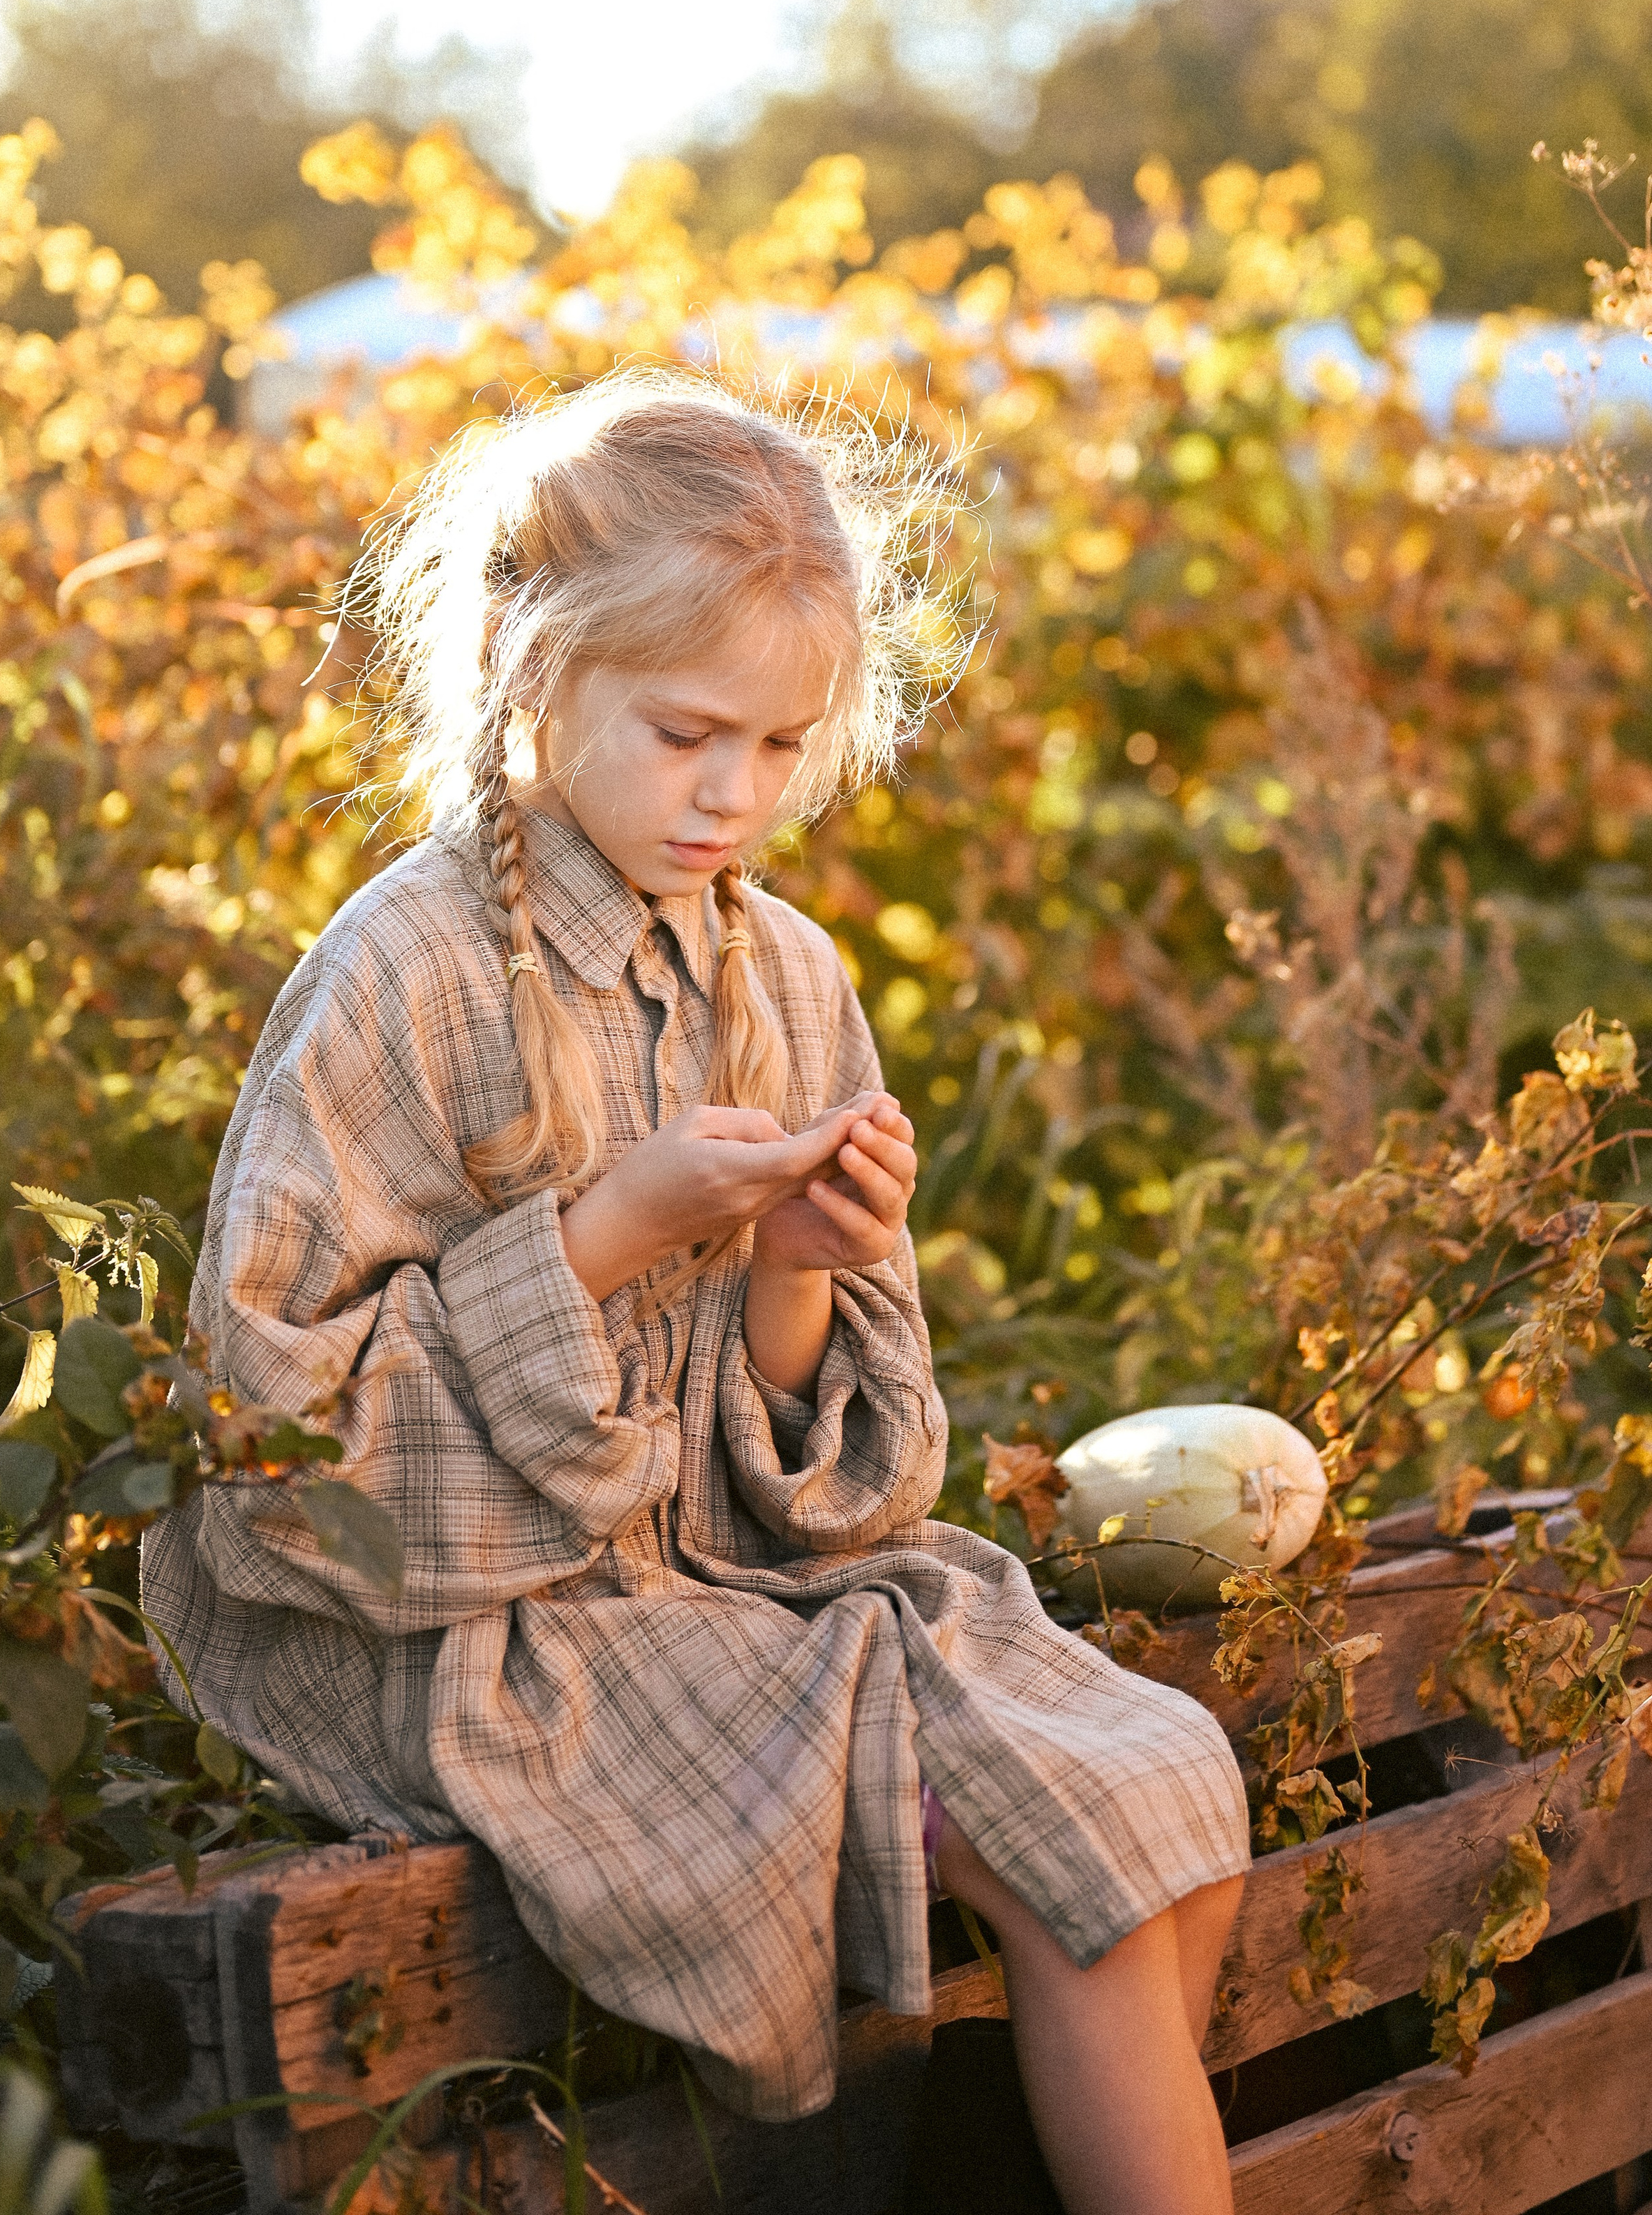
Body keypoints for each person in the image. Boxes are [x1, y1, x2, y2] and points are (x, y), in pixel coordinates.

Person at [142, 373, 1249, 2215]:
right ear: (528, 666)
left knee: (1157, 1803)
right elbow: (264, 1450)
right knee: (1066, 1868)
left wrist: (796, 1276)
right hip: (482, 1626)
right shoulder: (408, 975)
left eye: (782, 745)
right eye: (688, 735)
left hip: (721, 1588)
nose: (737, 793)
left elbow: (806, 1491)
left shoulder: (786, 973)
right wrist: (601, 1237)